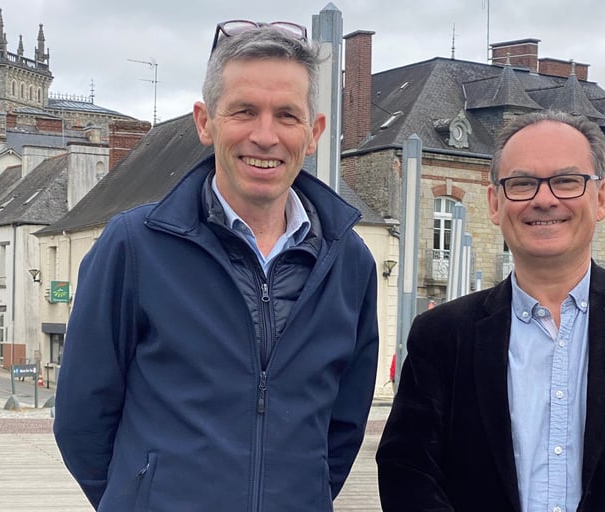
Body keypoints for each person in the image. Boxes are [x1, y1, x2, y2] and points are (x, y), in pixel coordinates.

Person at [54, 21, 379, 511]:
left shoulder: (349, 263)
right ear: (205, 122)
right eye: (244, 111)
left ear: (313, 133)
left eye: (286, 115)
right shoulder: (135, 247)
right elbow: (82, 419)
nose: (265, 136)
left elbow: (344, 428)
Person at [376, 110, 605, 511]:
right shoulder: (440, 334)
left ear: (602, 197)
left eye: (566, 181)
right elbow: (407, 468)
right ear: (495, 203)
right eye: (522, 183)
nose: (544, 199)